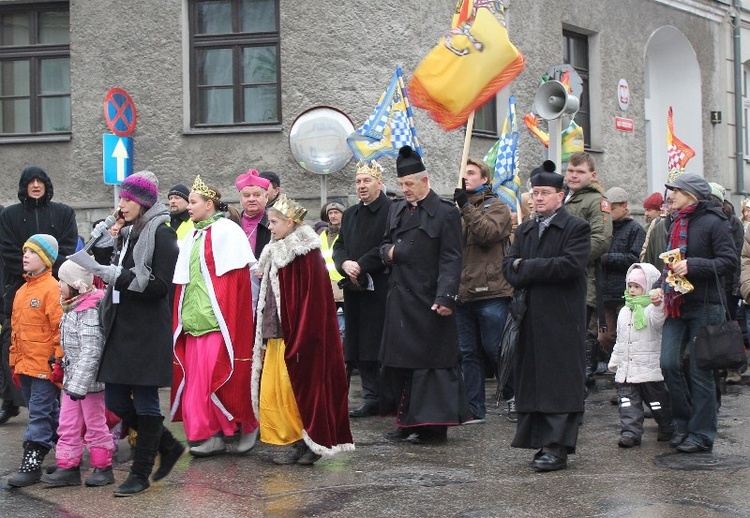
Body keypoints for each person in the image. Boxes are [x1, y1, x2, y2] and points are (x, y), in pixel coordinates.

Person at [68, 171, 185, 495]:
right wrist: (103, 246)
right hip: (122, 325)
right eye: (121, 198)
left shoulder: (161, 234)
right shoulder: (129, 232)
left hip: (147, 328)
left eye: (128, 199)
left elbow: (161, 287)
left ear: (144, 202)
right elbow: (119, 270)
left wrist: (116, 275)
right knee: (117, 399)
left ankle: (140, 473)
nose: (122, 204)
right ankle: (169, 445)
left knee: (146, 400)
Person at [252, 194, 354, 465]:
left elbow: (311, 301)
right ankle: (297, 441)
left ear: (289, 222)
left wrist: (301, 336)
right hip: (277, 334)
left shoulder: (305, 253)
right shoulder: (276, 251)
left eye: (274, 222)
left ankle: (312, 442)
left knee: (299, 390)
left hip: (297, 336)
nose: (270, 228)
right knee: (279, 392)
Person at [502, 161, 591, 472]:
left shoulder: (576, 228)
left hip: (562, 317)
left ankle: (557, 447)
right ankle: (540, 442)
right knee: (534, 381)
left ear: (560, 196)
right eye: (534, 193)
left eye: (544, 193)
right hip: (528, 316)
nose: (537, 198)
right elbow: (507, 268)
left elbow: (568, 266)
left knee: (559, 382)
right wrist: (525, 268)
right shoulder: (525, 229)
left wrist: (526, 268)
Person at [379, 146, 469, 445]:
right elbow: (384, 245)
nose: (405, 190)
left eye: (410, 184)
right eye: (402, 184)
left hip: (429, 299)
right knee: (402, 365)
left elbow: (451, 258)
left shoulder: (445, 213)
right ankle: (406, 422)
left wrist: (446, 297)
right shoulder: (396, 209)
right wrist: (389, 252)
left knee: (432, 366)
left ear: (424, 181)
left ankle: (433, 425)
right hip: (400, 300)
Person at [171, 176, 259, 457]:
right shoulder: (192, 235)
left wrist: (227, 319)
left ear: (209, 204)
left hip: (218, 325)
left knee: (224, 375)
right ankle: (209, 435)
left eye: (193, 202)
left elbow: (235, 286)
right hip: (195, 324)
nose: (189, 207)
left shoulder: (227, 232)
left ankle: (246, 424)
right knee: (197, 385)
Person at [657, 173, 736, 453]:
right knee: (668, 363)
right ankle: (683, 422)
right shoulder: (673, 221)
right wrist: (658, 287)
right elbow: (671, 262)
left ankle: (701, 434)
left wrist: (694, 265)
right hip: (677, 303)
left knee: (701, 371)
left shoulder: (715, 221)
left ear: (691, 194)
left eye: (676, 191)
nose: (671, 196)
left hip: (706, 304)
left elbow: (728, 261)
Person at [0, 166, 78, 426]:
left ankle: (54, 403)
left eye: (40, 181)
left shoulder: (63, 213)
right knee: (14, 342)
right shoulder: (10, 215)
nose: (36, 185)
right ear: (24, 186)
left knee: (56, 339)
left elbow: (67, 247)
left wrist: (48, 272)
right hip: (18, 289)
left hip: (57, 286)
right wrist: (29, 270)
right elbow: (8, 251)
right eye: (30, 181)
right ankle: (11, 401)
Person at [40, 260, 114, 488]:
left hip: (88, 384)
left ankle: (103, 466)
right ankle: (68, 466)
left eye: (62, 281)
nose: (58, 285)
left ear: (75, 285)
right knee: (68, 423)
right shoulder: (72, 306)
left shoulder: (89, 311)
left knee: (95, 424)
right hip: (74, 382)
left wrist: (79, 385)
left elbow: (91, 351)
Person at [452, 158, 514, 424]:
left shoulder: (498, 206)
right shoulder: (456, 211)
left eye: (471, 173)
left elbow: (487, 233)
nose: (466, 177)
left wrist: (465, 207)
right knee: (468, 353)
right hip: (463, 292)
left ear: (485, 179)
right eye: (463, 173)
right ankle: (474, 408)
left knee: (496, 348)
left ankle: (513, 397)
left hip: (491, 292)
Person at [333, 160, 392, 418]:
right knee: (358, 345)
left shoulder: (391, 210)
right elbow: (339, 245)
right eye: (358, 181)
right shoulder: (351, 214)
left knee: (377, 344)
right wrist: (344, 263)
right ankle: (370, 396)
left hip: (380, 287)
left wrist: (362, 264)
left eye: (366, 180)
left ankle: (387, 397)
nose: (361, 186)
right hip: (354, 288)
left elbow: (387, 243)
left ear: (379, 182)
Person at [6, 234, 63, 487]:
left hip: (45, 367)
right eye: (24, 251)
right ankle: (66, 449)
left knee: (38, 414)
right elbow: (17, 331)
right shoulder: (21, 291)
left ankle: (31, 464)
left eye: (32, 252)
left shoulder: (52, 289)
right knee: (46, 411)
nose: (25, 256)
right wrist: (14, 362)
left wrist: (58, 361)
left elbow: (59, 328)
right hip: (26, 365)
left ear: (46, 259)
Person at [608, 263, 674, 448]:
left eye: (637, 286)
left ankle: (666, 426)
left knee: (657, 403)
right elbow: (621, 340)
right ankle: (630, 432)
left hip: (649, 369)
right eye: (630, 286)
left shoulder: (651, 309)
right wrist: (615, 361)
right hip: (627, 370)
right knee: (628, 403)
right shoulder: (624, 311)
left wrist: (659, 304)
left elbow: (658, 322)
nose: (632, 290)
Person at [564, 152, 613, 385]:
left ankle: (576, 393)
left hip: (581, 280)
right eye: (570, 171)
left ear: (592, 175)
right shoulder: (562, 196)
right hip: (556, 280)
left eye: (580, 172)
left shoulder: (596, 201)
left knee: (576, 338)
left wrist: (568, 260)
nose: (574, 176)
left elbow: (601, 239)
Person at [598, 187, 646, 372]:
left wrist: (608, 258)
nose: (608, 213)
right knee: (605, 337)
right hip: (605, 293)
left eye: (612, 208)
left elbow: (635, 259)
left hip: (627, 293)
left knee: (628, 336)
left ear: (624, 206)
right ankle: (620, 368)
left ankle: (629, 374)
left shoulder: (635, 229)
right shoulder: (603, 228)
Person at [319, 201, 346, 342]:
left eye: (336, 212)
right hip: (326, 286)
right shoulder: (322, 235)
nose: (333, 216)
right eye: (330, 213)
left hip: (343, 285)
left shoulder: (347, 232)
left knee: (343, 328)